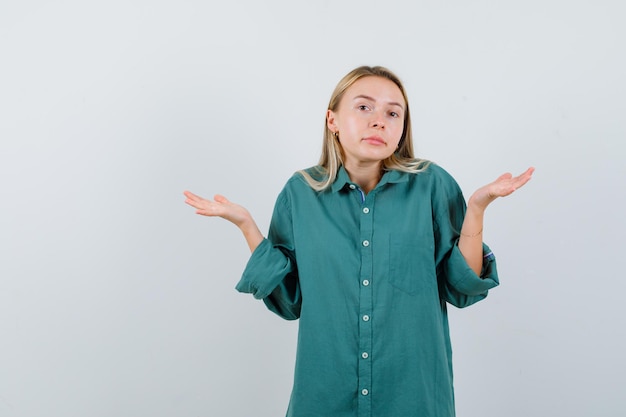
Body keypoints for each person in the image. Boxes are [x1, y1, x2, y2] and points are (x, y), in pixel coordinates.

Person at [184, 66, 534, 417]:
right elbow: (289, 301)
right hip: (325, 398)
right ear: (332, 120)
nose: (379, 121)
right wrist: (247, 226)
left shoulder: (433, 186)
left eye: (392, 112)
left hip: (414, 399)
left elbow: (463, 288)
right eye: (364, 107)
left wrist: (476, 209)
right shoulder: (300, 193)